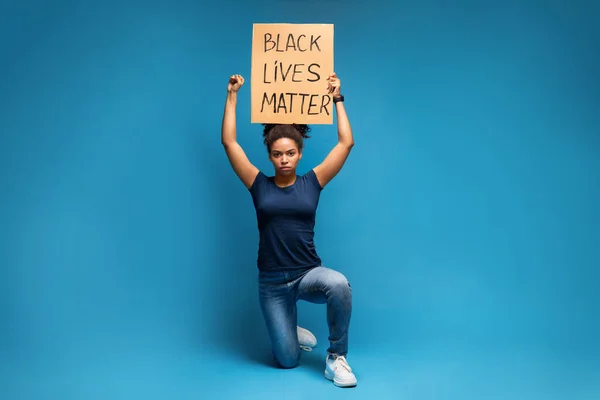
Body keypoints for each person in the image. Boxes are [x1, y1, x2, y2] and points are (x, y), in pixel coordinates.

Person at [220, 72, 357, 388]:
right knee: (287, 361)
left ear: (299, 153)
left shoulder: (313, 182)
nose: (284, 160)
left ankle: (336, 357)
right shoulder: (258, 185)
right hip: (272, 283)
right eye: (277, 154)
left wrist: (338, 97)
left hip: (307, 273)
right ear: (269, 156)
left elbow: (346, 143)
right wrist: (232, 95)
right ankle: (287, 327)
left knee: (339, 285)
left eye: (290, 153)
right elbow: (229, 142)